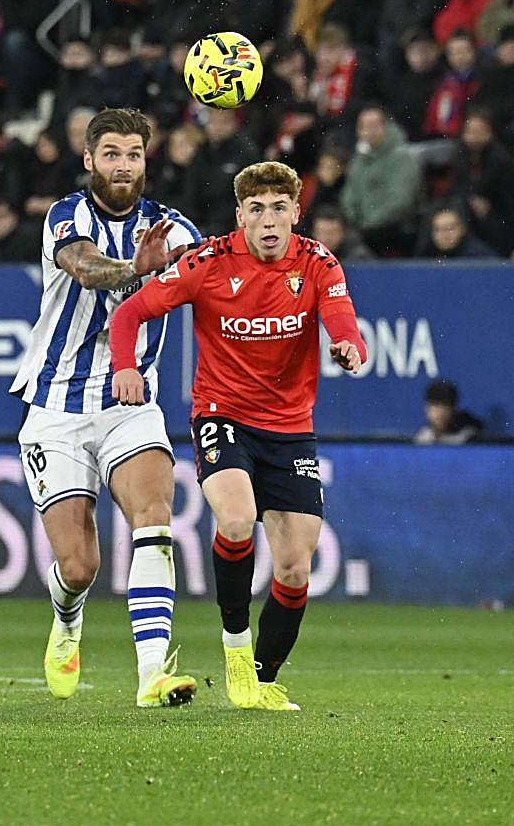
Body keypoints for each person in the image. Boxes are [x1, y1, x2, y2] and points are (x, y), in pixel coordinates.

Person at [109, 161, 369, 712]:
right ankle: (234, 644)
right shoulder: (207, 262)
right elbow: (130, 312)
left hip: (291, 429)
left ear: (297, 214)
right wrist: (125, 366)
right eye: (257, 210)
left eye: (279, 208)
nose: (268, 220)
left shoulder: (318, 262)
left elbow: (343, 320)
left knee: (296, 567)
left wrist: (350, 348)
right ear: (240, 217)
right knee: (233, 518)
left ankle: (261, 677)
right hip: (222, 415)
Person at [11, 107, 202, 709]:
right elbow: (86, 268)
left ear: (148, 161)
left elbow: (210, 281)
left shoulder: (174, 229)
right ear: (90, 159)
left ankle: (152, 674)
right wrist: (134, 270)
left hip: (130, 401)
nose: (124, 165)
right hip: (56, 407)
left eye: (134, 154)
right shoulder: (65, 215)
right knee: (79, 564)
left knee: (154, 518)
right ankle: (67, 619)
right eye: (112, 154)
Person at [415, 380, 482, 445]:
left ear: (454, 408)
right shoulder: (422, 437)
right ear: (426, 408)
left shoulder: (468, 437)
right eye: (435, 406)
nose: (440, 412)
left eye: (445, 406)